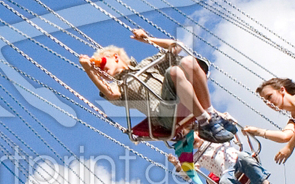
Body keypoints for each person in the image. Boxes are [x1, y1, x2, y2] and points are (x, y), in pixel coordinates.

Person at [79, 29, 236, 142]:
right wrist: (89, 70)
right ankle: (204, 121)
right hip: (164, 114)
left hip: (181, 98)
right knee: (174, 71)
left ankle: (211, 116)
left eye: (102, 63)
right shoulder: (119, 85)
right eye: (99, 70)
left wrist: (148, 39)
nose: (101, 69)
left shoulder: (146, 64)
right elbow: (111, 93)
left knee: (188, 61)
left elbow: (177, 46)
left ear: (115, 57)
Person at [186, 129, 280, 184]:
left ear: (198, 133)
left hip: (236, 159)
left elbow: (230, 131)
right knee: (223, 181)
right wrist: (177, 164)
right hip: (226, 172)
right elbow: (188, 174)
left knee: (244, 157)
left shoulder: (215, 137)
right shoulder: (197, 157)